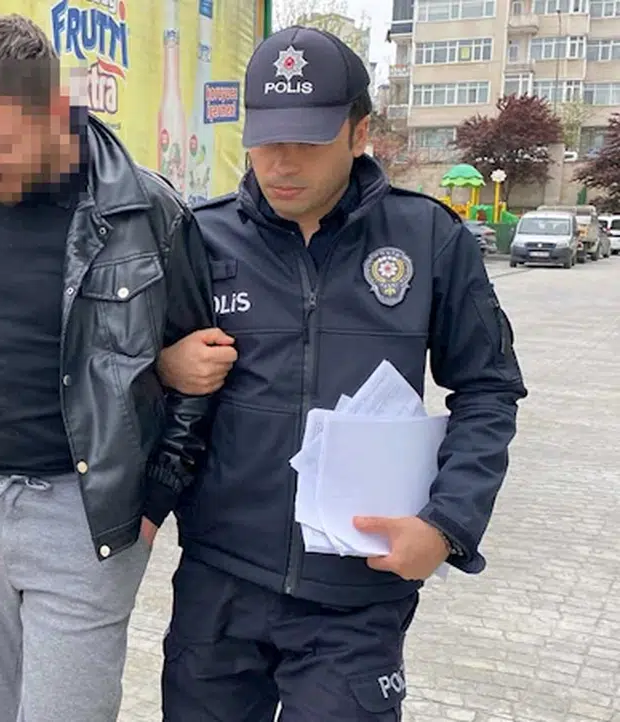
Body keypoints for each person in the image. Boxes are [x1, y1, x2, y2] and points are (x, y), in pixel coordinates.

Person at [153, 26, 528, 721]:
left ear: (359, 134)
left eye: (308, 140)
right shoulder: (200, 237)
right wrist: (163, 367)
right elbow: (118, 375)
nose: (282, 161)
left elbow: (488, 388)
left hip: (358, 593)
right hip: (219, 584)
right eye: (267, 139)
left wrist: (447, 524)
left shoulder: (429, 239)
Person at [0, 14, 215, 722]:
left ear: (53, 110)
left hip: (84, 517)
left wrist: (153, 503)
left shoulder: (146, 210)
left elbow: (203, 365)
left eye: (1, 145)